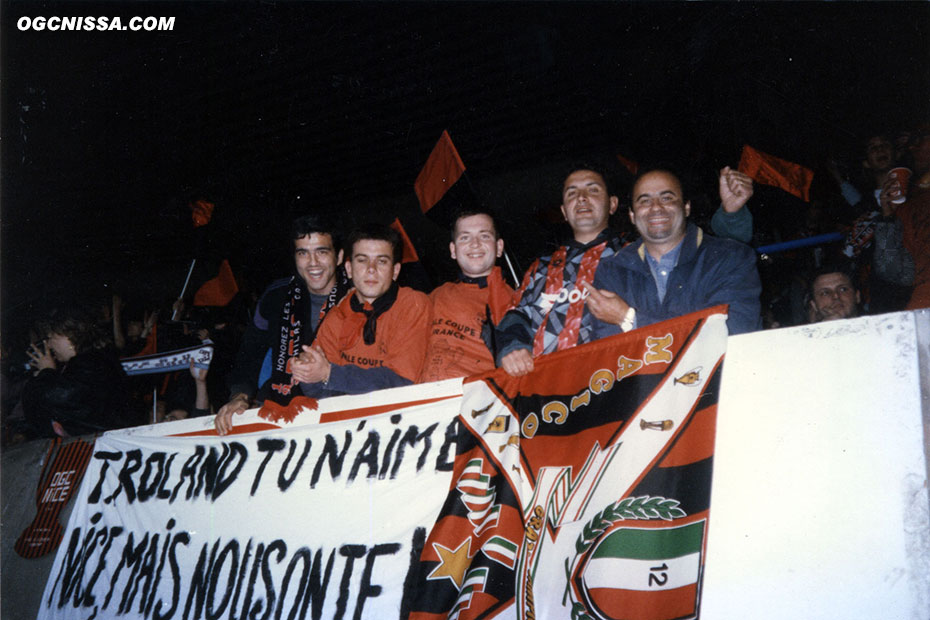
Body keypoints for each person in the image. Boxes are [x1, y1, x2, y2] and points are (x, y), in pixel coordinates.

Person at [588, 167, 762, 338]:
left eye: (667, 198)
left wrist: (629, 319)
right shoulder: (611, 271)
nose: (656, 207)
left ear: (686, 207)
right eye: (644, 201)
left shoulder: (730, 258)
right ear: (632, 215)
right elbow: (608, 351)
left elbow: (727, 334)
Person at [215, 214, 349, 434]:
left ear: (339, 256)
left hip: (338, 411)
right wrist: (239, 396)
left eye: (322, 252)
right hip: (278, 411)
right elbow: (249, 354)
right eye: (303, 253)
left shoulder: (357, 297)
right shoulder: (275, 296)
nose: (313, 263)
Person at [495, 168, 627, 377]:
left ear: (612, 204)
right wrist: (512, 347)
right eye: (572, 193)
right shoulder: (541, 267)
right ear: (564, 212)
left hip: (613, 386)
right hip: (547, 394)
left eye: (592, 190)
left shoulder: (634, 259)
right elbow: (515, 315)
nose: (582, 198)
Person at [290, 224, 431, 397]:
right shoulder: (338, 313)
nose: (371, 269)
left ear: (395, 271)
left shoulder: (413, 304)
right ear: (349, 269)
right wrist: (307, 370)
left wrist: (330, 374)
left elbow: (401, 382)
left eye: (381, 261)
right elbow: (316, 389)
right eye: (362, 260)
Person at [419, 210, 513, 382]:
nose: (475, 244)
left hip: (482, 400)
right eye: (465, 237)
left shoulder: (517, 301)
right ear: (453, 250)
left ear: (499, 247)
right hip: (426, 400)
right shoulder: (434, 297)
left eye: (484, 236)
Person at [21, 309, 132, 437]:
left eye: (51, 338)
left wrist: (47, 372)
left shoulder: (90, 363)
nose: (50, 345)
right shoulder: (93, 360)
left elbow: (60, 398)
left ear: (68, 336)